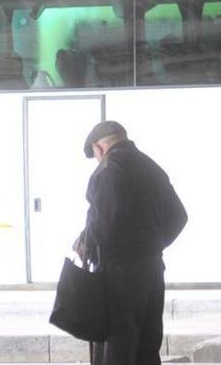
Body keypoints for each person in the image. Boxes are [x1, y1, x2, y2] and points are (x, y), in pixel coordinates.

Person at [75, 121, 186, 365]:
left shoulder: (109, 168)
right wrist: (151, 246)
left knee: (117, 348)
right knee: (147, 346)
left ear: (98, 148)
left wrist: (86, 243)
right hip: (152, 270)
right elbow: (179, 216)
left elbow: (104, 219)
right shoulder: (151, 167)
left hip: (118, 274)